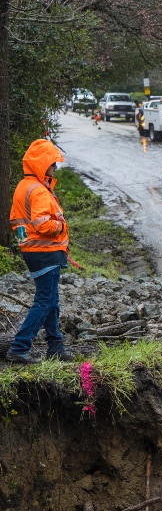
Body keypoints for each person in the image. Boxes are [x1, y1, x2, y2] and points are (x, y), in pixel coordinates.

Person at [6, 139, 73, 364]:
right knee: (45, 301)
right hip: (46, 253)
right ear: (42, 164)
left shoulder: (23, 187)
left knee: (51, 301)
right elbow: (43, 225)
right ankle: (20, 346)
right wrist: (62, 226)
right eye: (53, 163)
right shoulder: (39, 191)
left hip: (34, 252)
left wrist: (27, 245)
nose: (55, 167)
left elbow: (19, 224)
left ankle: (56, 346)